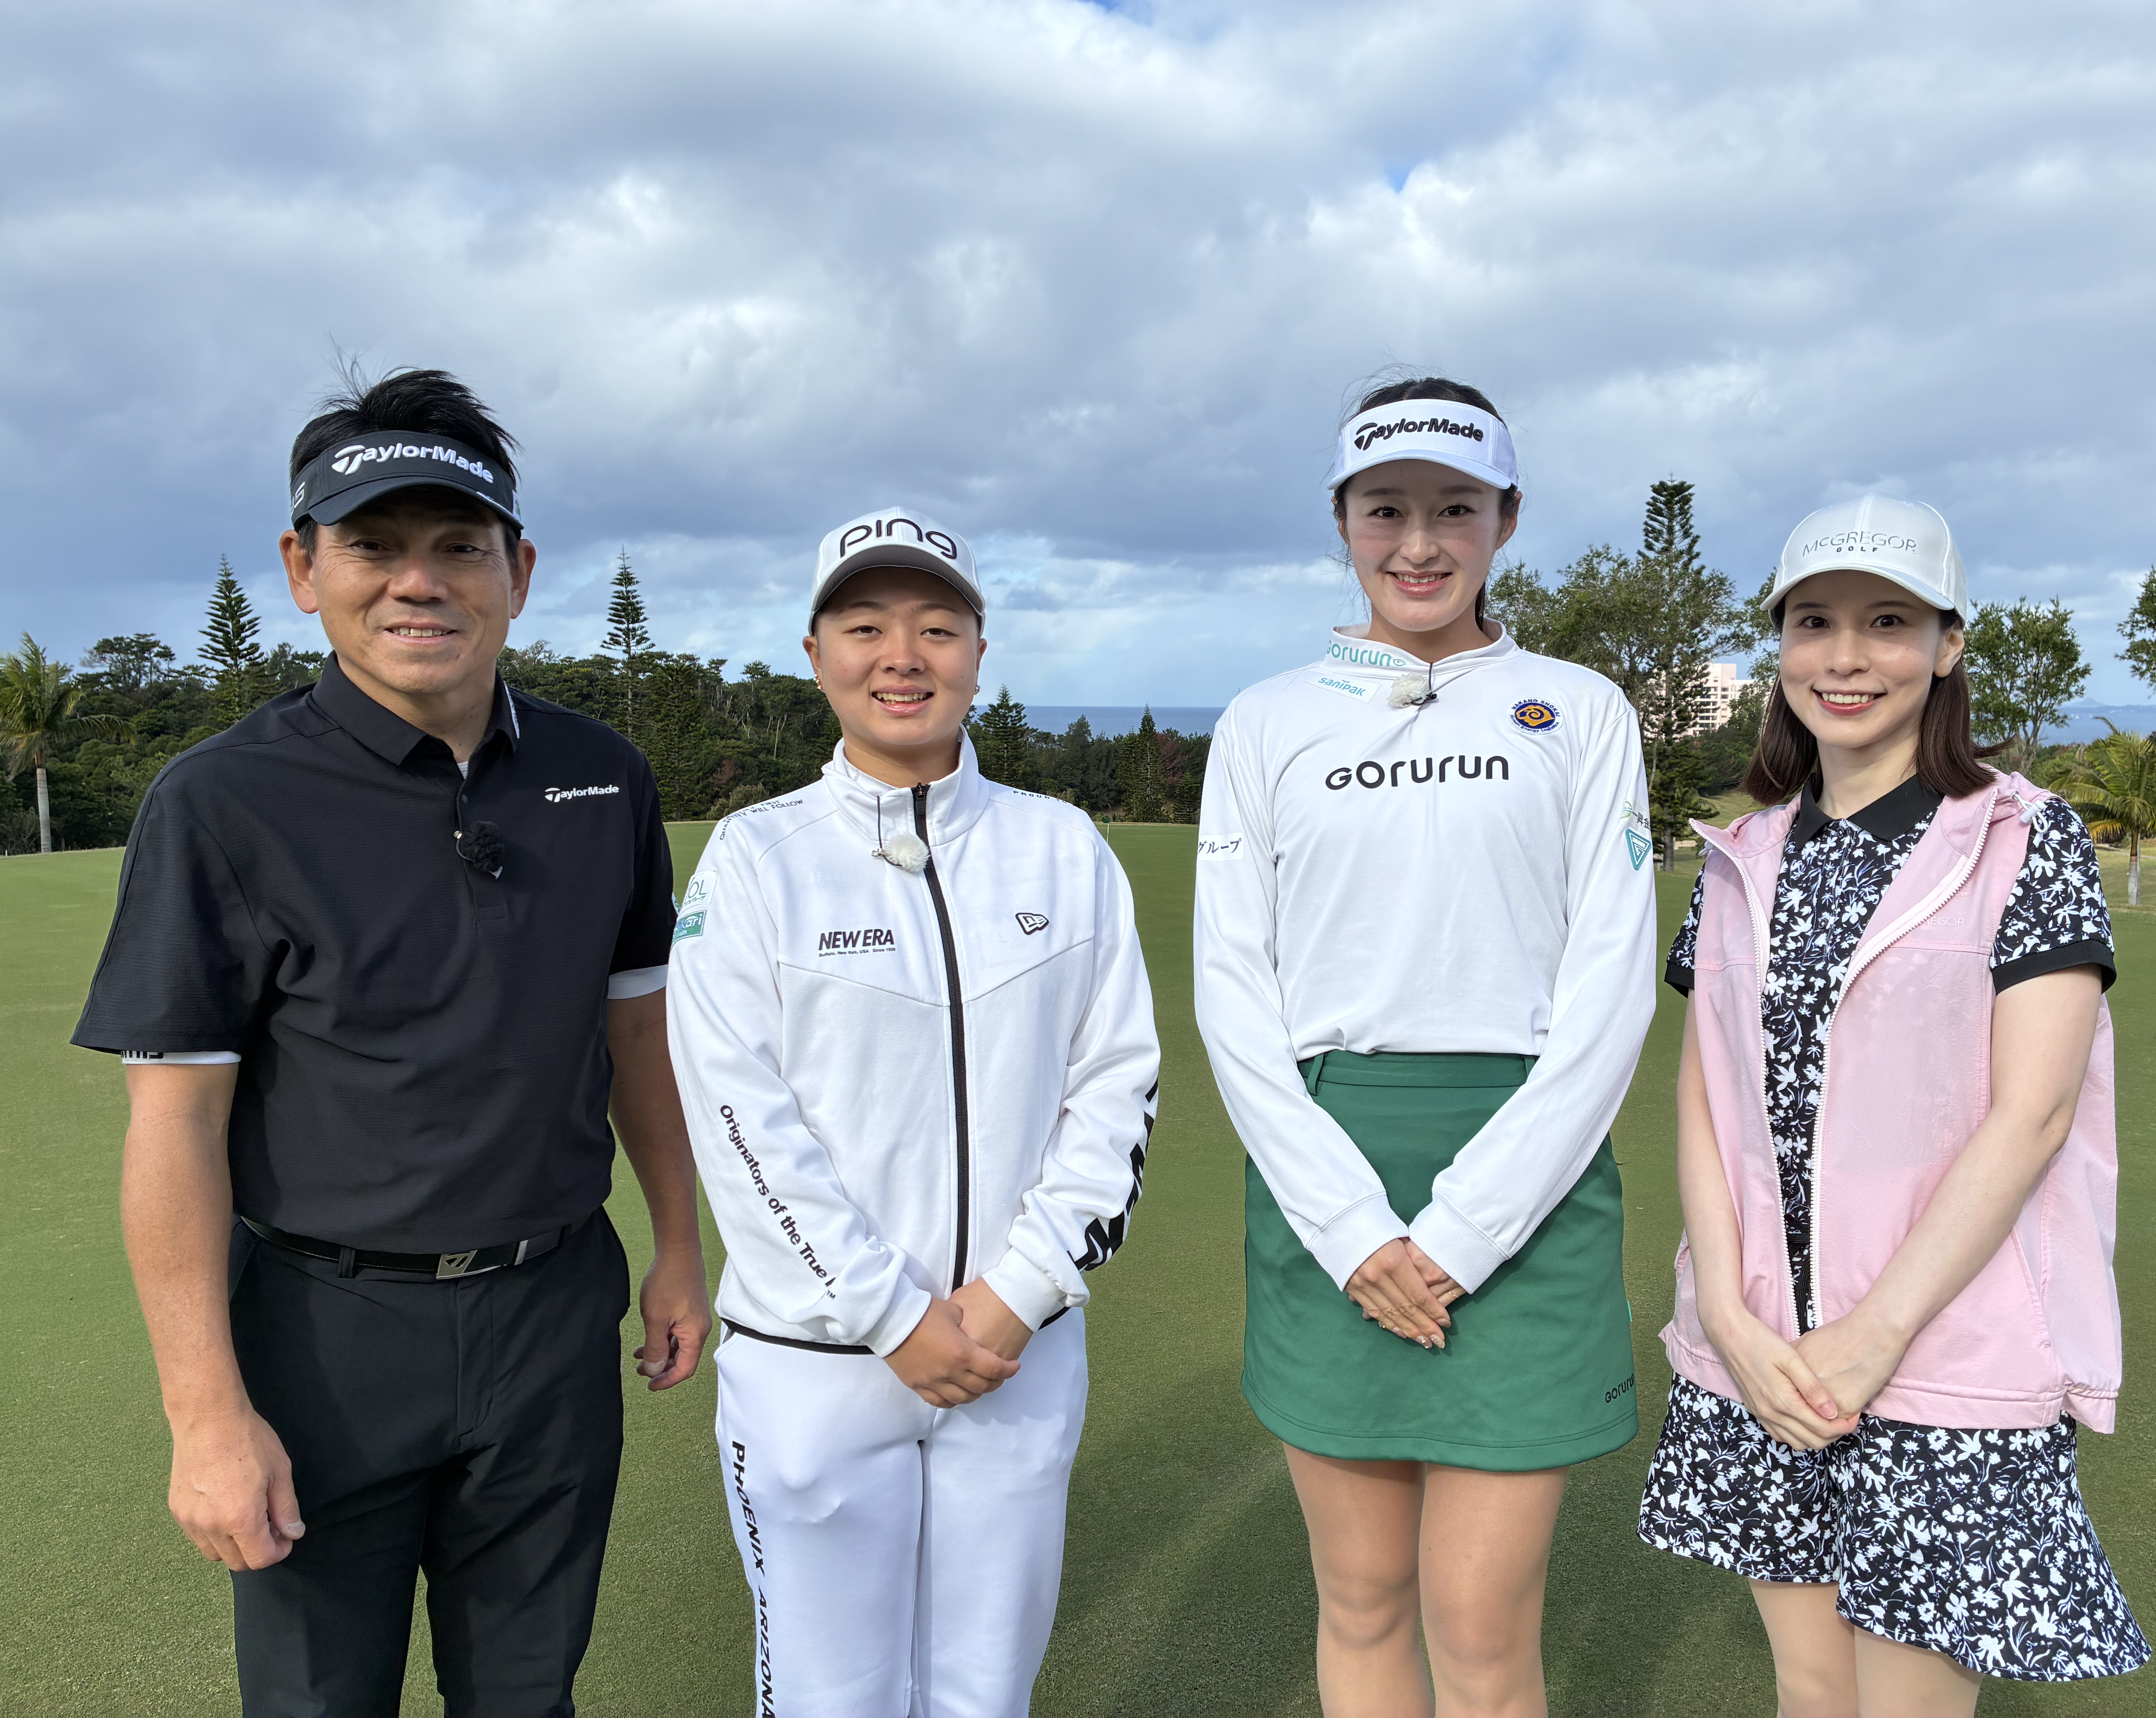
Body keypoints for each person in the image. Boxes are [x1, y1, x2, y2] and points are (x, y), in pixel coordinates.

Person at [73, 367, 710, 1716]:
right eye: (373, 545)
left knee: (528, 1695)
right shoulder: (221, 801)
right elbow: (177, 1122)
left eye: (459, 546)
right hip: (324, 1332)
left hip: (551, 1312)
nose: (419, 582)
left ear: (517, 573)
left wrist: (676, 1245)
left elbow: (637, 1031)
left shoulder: (603, 776)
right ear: (304, 569)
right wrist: (205, 1412)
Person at [1637, 495, 2150, 1714]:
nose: (1847, 656)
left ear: (1948, 644)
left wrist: (1874, 1337)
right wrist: (1725, 1311)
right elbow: (1706, 1093)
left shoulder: (2027, 838)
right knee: (1812, 1693)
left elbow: (2033, 1115)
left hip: (1943, 1348)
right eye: (1815, 621)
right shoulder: (1742, 854)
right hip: (1768, 1351)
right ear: (1781, 645)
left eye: (1888, 622)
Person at [1193, 379, 1657, 1718]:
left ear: (1506, 519)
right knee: (1362, 1598)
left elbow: (1610, 985)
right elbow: (1234, 989)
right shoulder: (1267, 719)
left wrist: (1465, 1227)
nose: (1418, 542)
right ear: (1342, 519)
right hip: (1327, 1174)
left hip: (1529, 1175)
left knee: (1481, 1622)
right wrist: (1352, 1227)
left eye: (1455, 508)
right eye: (1385, 508)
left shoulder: (1580, 708)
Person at [665, 509, 1160, 1718]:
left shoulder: (1064, 848)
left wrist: (1018, 1292)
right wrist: (894, 1316)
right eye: (866, 627)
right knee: (830, 1701)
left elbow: (1118, 1084)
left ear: (980, 651)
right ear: (815, 652)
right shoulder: (755, 856)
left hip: (1014, 1352)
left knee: (984, 1696)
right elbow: (736, 1114)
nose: (903, 656)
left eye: (938, 626)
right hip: (818, 1363)